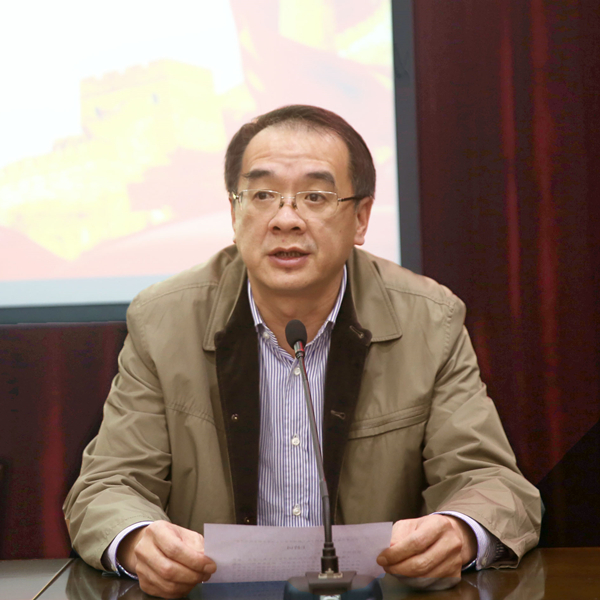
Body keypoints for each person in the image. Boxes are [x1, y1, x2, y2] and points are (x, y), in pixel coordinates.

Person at [63, 105, 541, 598]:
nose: (285, 219)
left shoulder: (429, 320)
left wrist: (460, 530)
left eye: (315, 196)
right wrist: (138, 540)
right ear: (234, 213)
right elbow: (108, 486)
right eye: (262, 195)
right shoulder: (164, 320)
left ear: (361, 218)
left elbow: (492, 481)